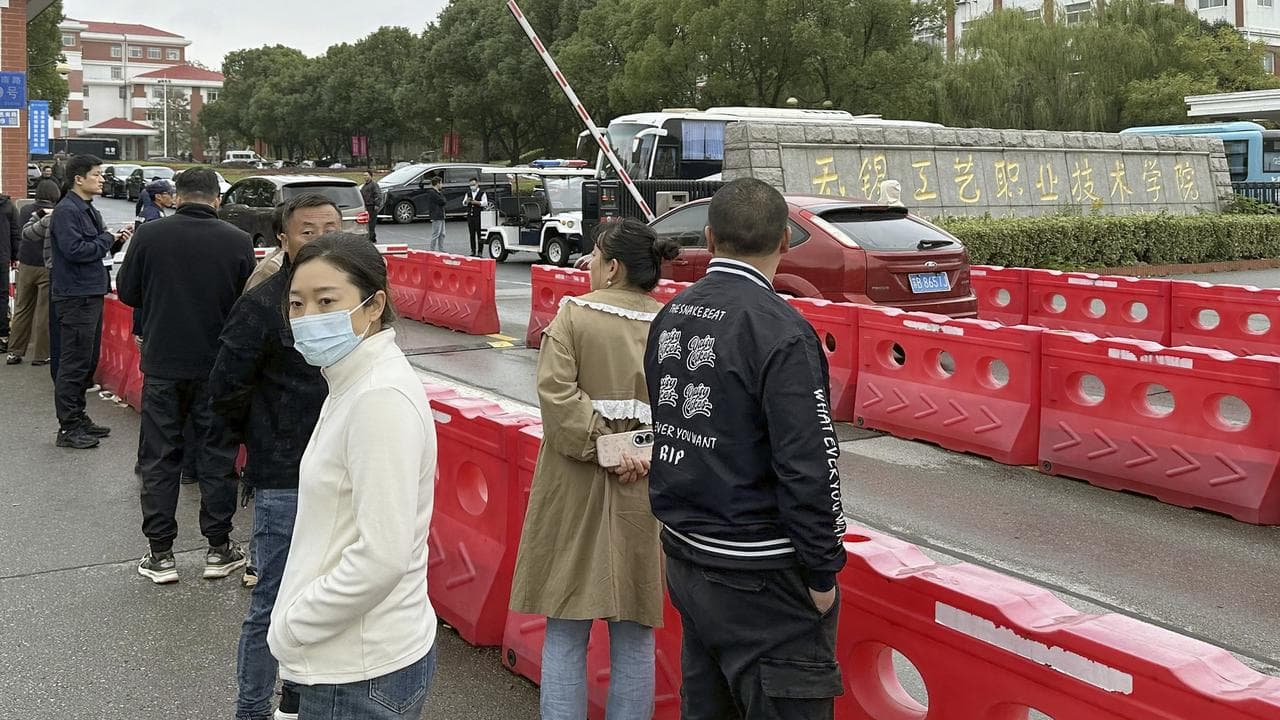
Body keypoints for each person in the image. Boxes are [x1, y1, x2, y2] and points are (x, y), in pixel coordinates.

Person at [644, 178, 848, 719]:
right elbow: (810, 465)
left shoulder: (673, 315)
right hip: (761, 574)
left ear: (709, 239)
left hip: (687, 555)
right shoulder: (783, 332)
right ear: (786, 240)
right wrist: (823, 572)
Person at [509, 218, 679, 719]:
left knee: (565, 626)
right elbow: (687, 412)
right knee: (635, 630)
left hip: (574, 485)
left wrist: (607, 446)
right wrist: (642, 452)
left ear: (613, 267)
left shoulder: (572, 317)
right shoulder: (671, 323)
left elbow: (558, 401)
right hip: (646, 487)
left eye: (595, 256)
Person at [268, 233, 438, 719]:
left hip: (357, 670)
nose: (308, 318)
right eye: (297, 304)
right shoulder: (351, 380)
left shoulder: (377, 397)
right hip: (350, 656)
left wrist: (292, 627)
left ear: (373, 305)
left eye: (327, 301)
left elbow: (381, 555)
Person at [209, 193, 341, 720]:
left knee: (330, 601)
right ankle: (252, 708)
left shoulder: (359, 298)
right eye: (310, 230)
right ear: (283, 240)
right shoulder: (263, 304)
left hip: (345, 471)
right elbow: (226, 387)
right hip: (285, 475)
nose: (325, 238)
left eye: (334, 227)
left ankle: (300, 698)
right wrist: (266, 437)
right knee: (274, 601)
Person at [116, 167, 256, 585]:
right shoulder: (238, 241)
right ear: (216, 199)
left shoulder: (149, 236)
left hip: (162, 365)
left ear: (177, 196)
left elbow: (127, 293)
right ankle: (218, 548)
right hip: (216, 367)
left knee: (159, 458)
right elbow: (244, 302)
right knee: (217, 457)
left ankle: (161, 555)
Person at [49, 154, 132, 449]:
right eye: (96, 174)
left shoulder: (86, 208)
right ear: (78, 179)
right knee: (73, 362)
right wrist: (107, 239)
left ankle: (79, 416)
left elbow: (95, 246)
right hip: (75, 295)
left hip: (90, 292)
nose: (101, 179)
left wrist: (116, 239)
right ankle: (68, 427)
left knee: (87, 361)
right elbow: (75, 250)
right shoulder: (66, 211)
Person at [6, 181, 59, 366]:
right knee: (44, 312)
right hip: (46, 266)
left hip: (26, 263)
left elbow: (21, 233)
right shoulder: (57, 213)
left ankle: (14, 351)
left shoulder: (26, 209)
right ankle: (41, 355)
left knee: (22, 309)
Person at [0, 189, 20, 352]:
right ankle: (2, 336)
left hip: (3, 256)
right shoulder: (7, 205)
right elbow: (15, 232)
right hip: (2, 256)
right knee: (2, 295)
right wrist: (15, 256)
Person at [464, 177, 488, 257]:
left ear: (477, 184)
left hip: (479, 216)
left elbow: (485, 203)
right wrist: (467, 201)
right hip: (470, 216)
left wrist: (476, 202)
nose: (472, 186)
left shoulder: (482, 193)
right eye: (471, 185)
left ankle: (480, 251)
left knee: (479, 234)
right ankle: (473, 250)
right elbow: (464, 203)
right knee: (472, 234)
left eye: (473, 185)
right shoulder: (468, 193)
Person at [360, 170, 383, 243]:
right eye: (364, 175)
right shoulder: (364, 186)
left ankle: (371, 238)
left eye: (366, 175)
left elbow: (378, 195)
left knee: (371, 224)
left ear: (370, 176)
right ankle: (372, 238)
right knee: (367, 224)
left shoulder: (374, 185)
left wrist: (377, 204)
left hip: (372, 206)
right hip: (366, 206)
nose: (365, 177)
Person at [426, 176, 447, 252]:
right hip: (436, 215)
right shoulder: (432, 193)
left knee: (442, 234)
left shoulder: (438, 192)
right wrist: (441, 196)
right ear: (437, 184)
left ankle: (441, 249)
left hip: (441, 215)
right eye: (441, 183)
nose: (442, 185)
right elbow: (442, 201)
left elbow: (444, 200)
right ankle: (432, 250)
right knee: (436, 234)